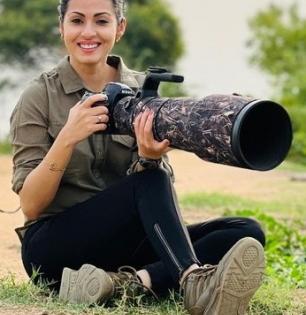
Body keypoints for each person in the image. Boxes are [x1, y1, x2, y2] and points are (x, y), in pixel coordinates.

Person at [10, 0, 266, 314]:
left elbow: (157, 200)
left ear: (119, 28)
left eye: (101, 21)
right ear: (62, 26)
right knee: (149, 180)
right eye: (77, 20)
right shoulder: (38, 97)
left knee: (245, 232)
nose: (88, 32)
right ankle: (192, 281)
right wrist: (67, 136)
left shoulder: (143, 94)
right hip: (56, 252)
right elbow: (32, 205)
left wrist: (148, 157)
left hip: (127, 246)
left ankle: (125, 284)